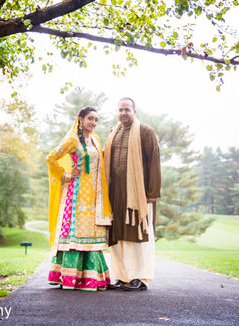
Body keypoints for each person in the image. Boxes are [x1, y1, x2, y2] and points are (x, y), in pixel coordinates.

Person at [46, 107, 112, 291]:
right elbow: (51, 158)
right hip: (75, 196)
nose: (93, 123)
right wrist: (66, 175)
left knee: (92, 234)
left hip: (94, 197)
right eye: (90, 118)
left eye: (96, 119)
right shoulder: (72, 140)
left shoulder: (96, 139)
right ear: (80, 119)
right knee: (76, 236)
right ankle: (71, 278)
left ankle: (92, 278)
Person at [104, 97, 161, 291]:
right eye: (120, 110)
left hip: (139, 193)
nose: (123, 113)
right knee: (118, 234)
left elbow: (154, 161)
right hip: (116, 192)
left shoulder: (145, 132)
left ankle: (139, 277)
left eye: (127, 109)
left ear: (134, 111)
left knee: (138, 234)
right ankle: (122, 277)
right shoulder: (113, 133)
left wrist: (152, 192)